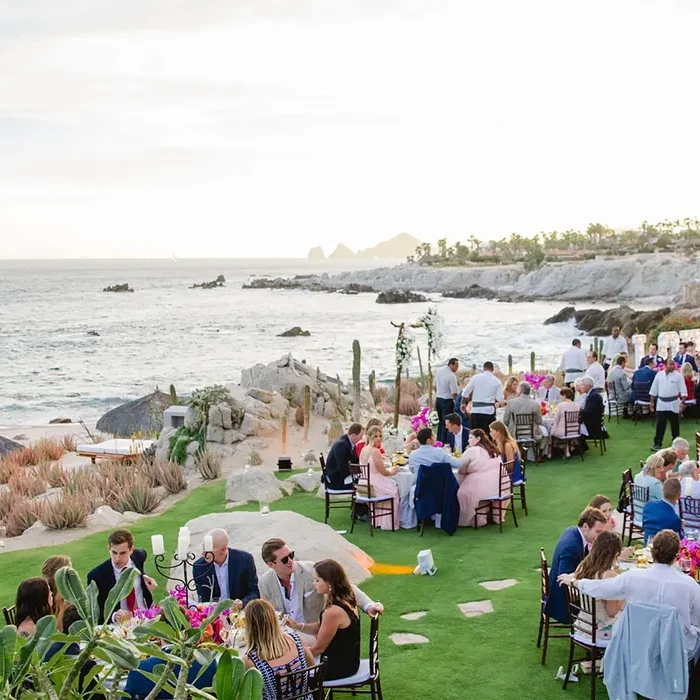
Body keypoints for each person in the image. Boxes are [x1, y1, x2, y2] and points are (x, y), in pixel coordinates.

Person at [560, 530, 700, 662]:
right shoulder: (690, 585)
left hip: (640, 642)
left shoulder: (632, 577)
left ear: (652, 552)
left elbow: (601, 587)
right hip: (676, 647)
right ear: (677, 556)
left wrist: (576, 582)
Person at [258, 539, 382, 629]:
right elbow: (268, 613)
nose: (291, 561)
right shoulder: (265, 583)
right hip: (286, 636)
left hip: (315, 632)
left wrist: (368, 605)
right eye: (285, 559)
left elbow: (343, 586)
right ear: (271, 565)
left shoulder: (311, 570)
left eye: (291, 555)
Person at [285, 559, 361, 681]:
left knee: (285, 676)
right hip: (349, 660)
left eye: (317, 580)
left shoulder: (333, 611)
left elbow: (318, 648)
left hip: (337, 667)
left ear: (329, 582)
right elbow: (320, 626)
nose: (313, 583)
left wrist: (290, 661)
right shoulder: (345, 597)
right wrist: (297, 626)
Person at [544, 507, 608, 624]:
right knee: (605, 604)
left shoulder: (573, 531)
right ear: (585, 527)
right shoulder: (571, 547)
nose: (599, 537)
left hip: (562, 593)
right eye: (597, 532)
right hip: (563, 602)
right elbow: (565, 581)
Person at [243, 599, 315, 700]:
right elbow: (311, 665)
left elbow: (246, 694)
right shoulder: (296, 640)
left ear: (250, 626)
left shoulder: (251, 661)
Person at [87, 529, 157, 624]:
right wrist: (114, 616)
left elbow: (143, 553)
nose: (117, 558)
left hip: (145, 618)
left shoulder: (138, 556)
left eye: (123, 553)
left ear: (131, 550)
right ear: (109, 549)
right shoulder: (97, 576)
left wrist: (145, 576)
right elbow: (95, 611)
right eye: (114, 552)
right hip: (118, 627)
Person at [570, 531, 624, 643]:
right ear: (616, 554)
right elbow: (612, 612)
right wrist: (623, 597)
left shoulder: (583, 566)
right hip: (600, 631)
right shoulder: (608, 575)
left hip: (582, 625)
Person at [193, 528, 259, 606]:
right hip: (213, 612)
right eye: (204, 548)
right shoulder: (199, 566)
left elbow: (254, 592)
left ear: (223, 549)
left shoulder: (244, 560)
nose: (203, 553)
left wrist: (241, 603)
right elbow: (203, 598)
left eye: (209, 550)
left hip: (240, 611)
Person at [457, 429, 507, 527]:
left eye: (471, 438)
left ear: (478, 439)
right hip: (500, 484)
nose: (468, 440)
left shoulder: (472, 450)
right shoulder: (492, 449)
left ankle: (473, 518)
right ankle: (485, 515)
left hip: (484, 486)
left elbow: (461, 469)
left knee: (463, 492)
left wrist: (467, 471)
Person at [358, 426, 400, 530]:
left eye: (380, 436)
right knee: (394, 489)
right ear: (370, 437)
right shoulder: (375, 451)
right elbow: (384, 472)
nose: (379, 438)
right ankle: (389, 523)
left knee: (390, 485)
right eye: (375, 436)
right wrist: (394, 471)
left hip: (362, 484)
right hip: (372, 486)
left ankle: (379, 521)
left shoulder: (364, 449)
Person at [650, 356, 687, 450]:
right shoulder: (659, 375)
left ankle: (677, 444)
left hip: (674, 403)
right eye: (670, 364)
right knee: (660, 425)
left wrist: (682, 403)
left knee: (675, 425)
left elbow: (683, 390)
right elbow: (654, 390)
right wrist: (652, 402)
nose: (673, 366)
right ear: (665, 365)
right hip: (661, 403)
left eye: (673, 364)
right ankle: (657, 443)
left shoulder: (678, 376)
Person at [503, 382, 546, 457]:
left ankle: (514, 454)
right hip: (531, 433)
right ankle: (539, 455)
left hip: (514, 433)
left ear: (520, 391)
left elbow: (505, 420)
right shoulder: (535, 404)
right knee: (546, 434)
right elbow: (539, 421)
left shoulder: (511, 403)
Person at [462, 362, 505, 431]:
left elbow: (465, 392)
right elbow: (500, 399)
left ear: (483, 368)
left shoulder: (476, 378)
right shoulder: (497, 381)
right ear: (492, 369)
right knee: (488, 435)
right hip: (488, 411)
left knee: (474, 434)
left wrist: (463, 403)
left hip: (476, 411)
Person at [324, 423, 365, 490]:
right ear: (353, 435)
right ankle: (364, 500)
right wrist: (360, 470)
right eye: (360, 437)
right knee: (365, 483)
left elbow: (355, 461)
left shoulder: (349, 443)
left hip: (340, 477)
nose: (361, 439)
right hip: (336, 481)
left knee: (365, 480)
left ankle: (362, 499)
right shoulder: (341, 445)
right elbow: (343, 469)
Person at [642, 478, 682, 544]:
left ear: (662, 490)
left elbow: (644, 526)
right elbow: (678, 541)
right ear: (678, 495)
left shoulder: (649, 504)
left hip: (647, 546)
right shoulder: (674, 519)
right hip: (664, 551)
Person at [549, 387, 582, 457]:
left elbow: (556, 419)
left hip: (563, 431)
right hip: (575, 430)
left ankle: (550, 452)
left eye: (561, 395)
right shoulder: (577, 405)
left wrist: (552, 431)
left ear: (564, 395)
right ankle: (567, 448)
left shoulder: (561, 405)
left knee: (550, 430)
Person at [434, 358, 459, 443]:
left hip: (438, 399)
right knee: (448, 423)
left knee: (441, 422)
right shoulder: (451, 376)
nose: (457, 368)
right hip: (447, 401)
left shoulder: (439, 372)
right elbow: (454, 393)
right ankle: (445, 442)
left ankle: (439, 440)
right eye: (456, 365)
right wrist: (457, 403)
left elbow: (434, 386)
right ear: (451, 365)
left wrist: (438, 393)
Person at [580, 377, 604, 444]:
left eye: (582, 385)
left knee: (571, 427)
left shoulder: (593, 396)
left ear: (588, 386)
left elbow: (589, 413)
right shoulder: (593, 394)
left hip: (593, 427)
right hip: (594, 423)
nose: (580, 387)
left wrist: (579, 412)